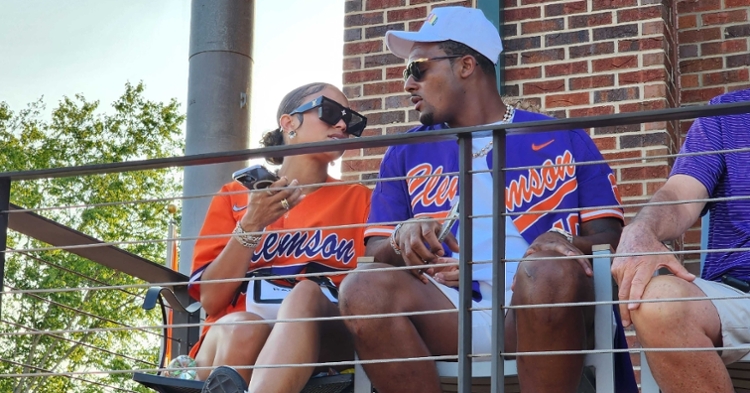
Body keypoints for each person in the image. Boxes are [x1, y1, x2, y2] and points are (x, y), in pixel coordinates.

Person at [337, 6, 637, 393]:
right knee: (361, 288)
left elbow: (609, 237)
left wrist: (561, 244)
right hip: (447, 311)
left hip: (545, 305)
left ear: (465, 66)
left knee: (545, 273)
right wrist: (404, 238)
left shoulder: (563, 136)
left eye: (418, 69)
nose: (408, 84)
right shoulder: (406, 151)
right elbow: (376, 249)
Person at [186, 82, 372, 393]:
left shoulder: (360, 200)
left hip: (320, 335)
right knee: (245, 328)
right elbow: (211, 299)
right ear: (289, 123)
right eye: (329, 112)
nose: (342, 124)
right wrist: (252, 223)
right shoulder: (235, 196)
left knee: (306, 293)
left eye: (350, 120)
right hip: (234, 334)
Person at [612, 88, 750, 393]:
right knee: (660, 303)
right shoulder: (727, 113)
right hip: (740, 295)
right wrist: (642, 230)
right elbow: (680, 195)